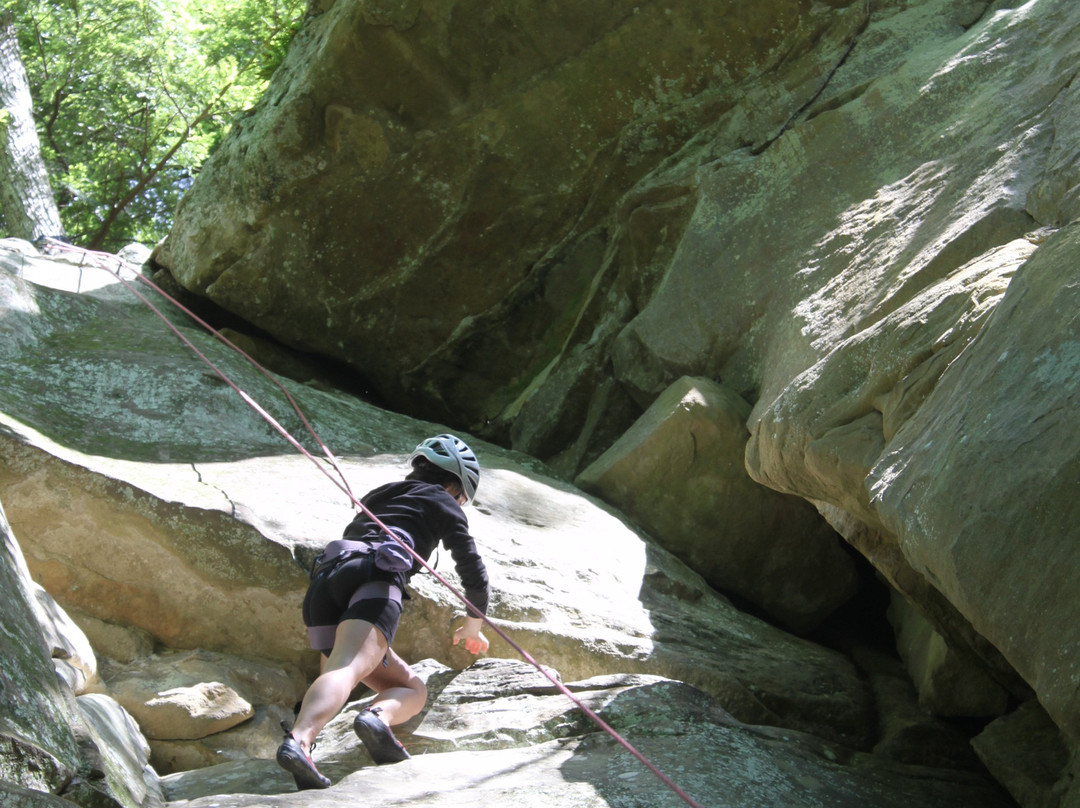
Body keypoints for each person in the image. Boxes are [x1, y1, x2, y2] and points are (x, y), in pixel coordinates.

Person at [276, 433, 491, 790]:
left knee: (407, 686)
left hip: (325, 586)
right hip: (375, 581)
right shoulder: (443, 501)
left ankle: (371, 722)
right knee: (347, 669)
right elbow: (474, 573)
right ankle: (300, 740)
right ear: (454, 485)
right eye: (461, 498)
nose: (458, 503)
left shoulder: (381, 494)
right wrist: (473, 626)